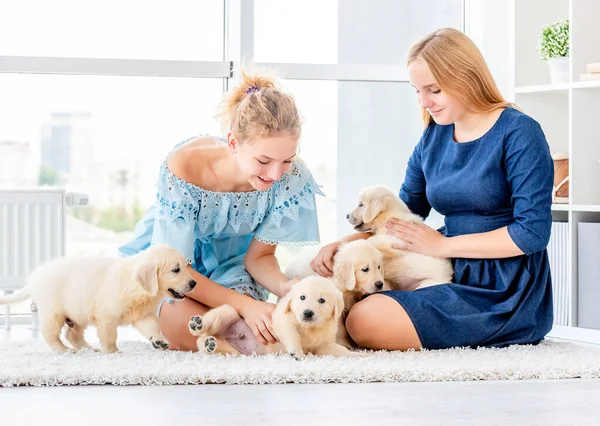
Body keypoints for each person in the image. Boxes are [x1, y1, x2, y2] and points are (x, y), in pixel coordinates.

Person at [311, 28, 554, 351]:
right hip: (445, 271)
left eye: (434, 90)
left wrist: (444, 245)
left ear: (466, 78)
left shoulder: (520, 132)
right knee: (338, 302)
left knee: (363, 319)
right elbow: (400, 216)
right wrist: (343, 244)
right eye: (417, 91)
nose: (424, 102)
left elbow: (531, 234)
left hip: (504, 287)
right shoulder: (433, 137)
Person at [119, 68, 323, 350]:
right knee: (187, 330)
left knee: (248, 338)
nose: (276, 174)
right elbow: (178, 267)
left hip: (232, 265)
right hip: (174, 267)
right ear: (233, 143)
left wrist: (285, 288)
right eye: (264, 161)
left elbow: (260, 258)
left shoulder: (292, 178)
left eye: (286, 161)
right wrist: (246, 305)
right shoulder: (185, 165)